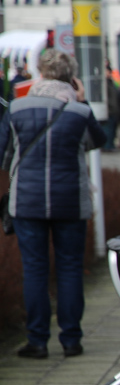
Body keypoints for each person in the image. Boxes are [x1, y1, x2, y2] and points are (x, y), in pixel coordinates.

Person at [1, 70, 106, 359]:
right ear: (72, 81)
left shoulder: (16, 109)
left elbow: (3, 155)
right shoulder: (79, 112)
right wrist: (81, 101)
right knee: (70, 268)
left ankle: (37, 340)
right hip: (70, 200)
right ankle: (71, 340)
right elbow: (98, 140)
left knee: (34, 269)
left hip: (27, 201)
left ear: (40, 78)